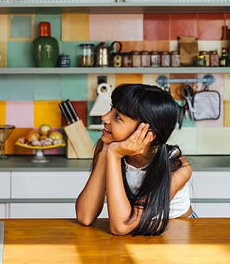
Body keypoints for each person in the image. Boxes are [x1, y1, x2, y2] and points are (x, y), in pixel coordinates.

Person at [75, 84, 194, 236]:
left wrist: (113, 154)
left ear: (146, 134)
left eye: (117, 117)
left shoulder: (178, 168)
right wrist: (108, 152)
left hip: (178, 236)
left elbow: (122, 226)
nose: (105, 118)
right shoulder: (109, 147)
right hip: (138, 235)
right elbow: (85, 216)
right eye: (111, 109)